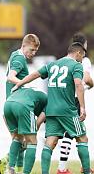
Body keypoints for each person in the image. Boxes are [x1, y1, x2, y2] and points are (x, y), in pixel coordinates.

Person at [13, 42, 91, 174]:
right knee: (82, 138)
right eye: (82, 56)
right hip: (68, 110)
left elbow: (34, 74)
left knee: (50, 143)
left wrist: (19, 83)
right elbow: (79, 84)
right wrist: (82, 107)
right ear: (78, 53)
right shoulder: (76, 65)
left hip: (51, 110)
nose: (82, 60)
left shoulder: (53, 64)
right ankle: (88, 172)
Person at [0, 34, 40, 174]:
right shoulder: (20, 59)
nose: (32, 53)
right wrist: (23, 83)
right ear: (24, 45)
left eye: (35, 51)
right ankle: (8, 164)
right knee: (27, 140)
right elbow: (10, 76)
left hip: (10, 104)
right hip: (19, 105)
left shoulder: (15, 54)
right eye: (31, 50)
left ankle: (10, 167)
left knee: (18, 139)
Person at [57, 33, 93, 174]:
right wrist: (91, 84)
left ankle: (62, 167)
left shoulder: (65, 59)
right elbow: (86, 77)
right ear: (82, 46)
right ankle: (83, 169)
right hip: (75, 100)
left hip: (61, 99)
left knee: (66, 135)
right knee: (80, 136)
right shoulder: (84, 60)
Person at [4, 87, 47, 174]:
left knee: (17, 138)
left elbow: (4, 116)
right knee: (32, 142)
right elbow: (37, 124)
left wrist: (16, 135)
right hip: (23, 105)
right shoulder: (50, 103)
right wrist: (29, 138)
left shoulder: (33, 94)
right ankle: (26, 172)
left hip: (7, 104)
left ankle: (10, 169)